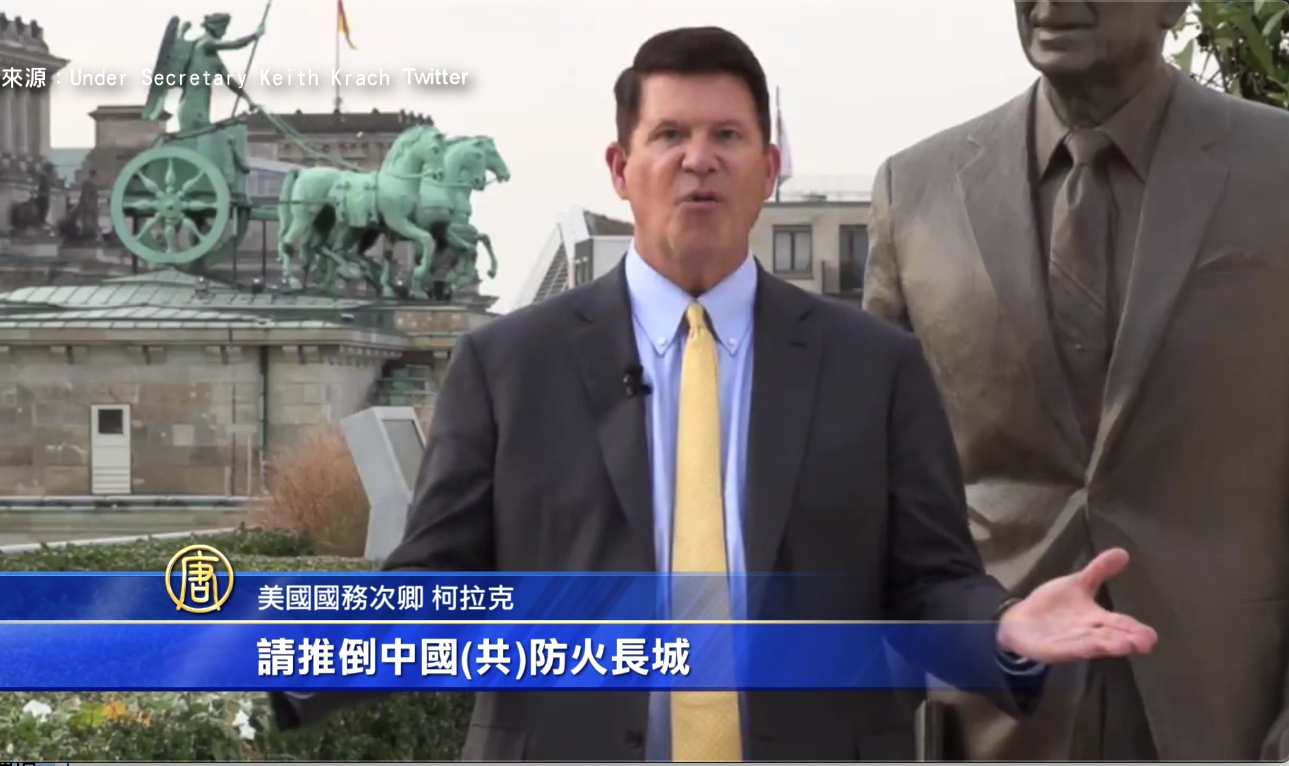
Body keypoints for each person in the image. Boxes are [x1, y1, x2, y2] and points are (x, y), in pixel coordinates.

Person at [272, 26, 1155, 761]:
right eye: (670, 136)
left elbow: (929, 582)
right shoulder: (509, 365)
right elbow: (437, 587)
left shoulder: (875, 366)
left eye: (727, 137)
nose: (699, 160)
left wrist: (1002, 628)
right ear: (620, 167)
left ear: (767, 168)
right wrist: (266, 673)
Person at [863, 0, 1289, 760]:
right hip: (986, 718)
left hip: (1231, 711)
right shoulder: (915, 191)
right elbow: (879, 498)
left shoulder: (1277, 172)